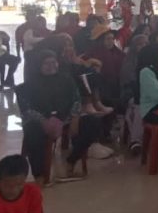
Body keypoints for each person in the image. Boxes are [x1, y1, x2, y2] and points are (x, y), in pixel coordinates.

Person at [18, 49, 99, 184]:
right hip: (40, 121)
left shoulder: (66, 79)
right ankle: (39, 175)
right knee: (32, 132)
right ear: (39, 65)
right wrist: (44, 121)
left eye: (53, 62)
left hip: (66, 118)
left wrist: (75, 118)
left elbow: (76, 99)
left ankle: (71, 161)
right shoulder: (29, 84)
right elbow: (26, 109)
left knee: (93, 123)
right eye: (46, 63)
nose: (51, 66)